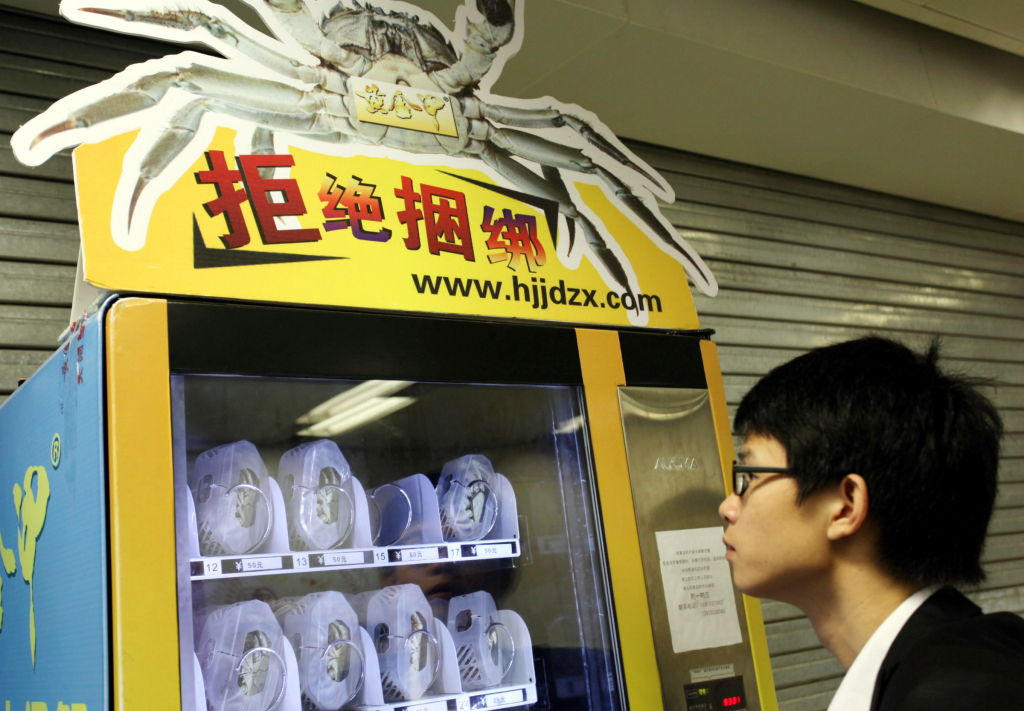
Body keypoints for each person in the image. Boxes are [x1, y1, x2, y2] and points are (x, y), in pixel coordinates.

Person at [718, 336, 1024, 710]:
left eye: (749, 477)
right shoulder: (971, 660)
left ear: (846, 506)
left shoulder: (953, 697)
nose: (728, 507)